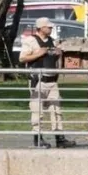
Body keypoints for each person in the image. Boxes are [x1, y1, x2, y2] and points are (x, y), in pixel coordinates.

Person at [19, 17, 75, 149]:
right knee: (37, 110)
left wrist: (58, 54)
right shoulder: (30, 40)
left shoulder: (51, 41)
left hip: (52, 81)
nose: (50, 28)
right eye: (48, 27)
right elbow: (22, 58)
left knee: (56, 110)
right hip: (38, 81)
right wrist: (39, 54)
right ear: (41, 28)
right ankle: (38, 139)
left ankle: (60, 139)